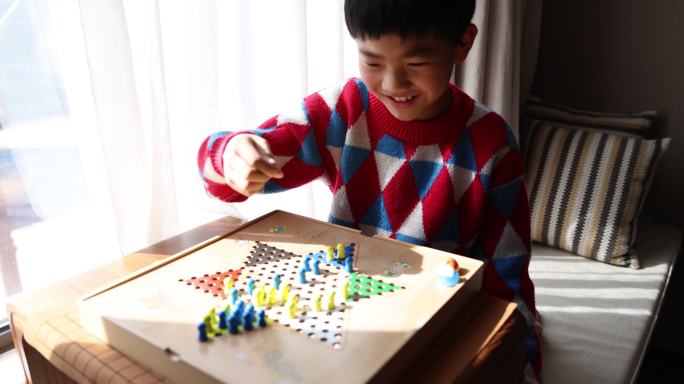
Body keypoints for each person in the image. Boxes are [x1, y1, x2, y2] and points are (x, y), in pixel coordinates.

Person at [197, 0, 540, 381]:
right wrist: (230, 155)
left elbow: (507, 280)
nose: (392, 85)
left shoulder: (492, 143)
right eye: (372, 62)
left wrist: (518, 360)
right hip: (346, 316)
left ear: (463, 43)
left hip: (434, 322)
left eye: (416, 64)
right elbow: (244, 160)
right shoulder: (342, 109)